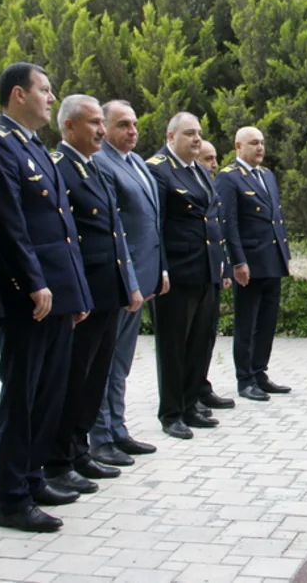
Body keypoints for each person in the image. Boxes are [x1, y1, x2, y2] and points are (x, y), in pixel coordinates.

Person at [0, 63, 93, 533]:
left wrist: (75, 290)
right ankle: (10, 497)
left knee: (48, 395)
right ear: (18, 94)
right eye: (44, 90)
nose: (51, 98)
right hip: (29, 295)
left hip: (57, 293)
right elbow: (8, 224)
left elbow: (63, 227)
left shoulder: (36, 149)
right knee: (21, 396)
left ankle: (32, 477)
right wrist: (33, 282)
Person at [44, 95, 143, 493]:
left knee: (93, 378)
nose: (101, 130)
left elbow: (114, 230)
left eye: (103, 123)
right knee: (73, 379)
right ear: (68, 126)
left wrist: (127, 283)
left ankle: (79, 450)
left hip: (106, 291)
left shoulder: (93, 166)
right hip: (83, 295)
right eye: (93, 123)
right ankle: (58, 460)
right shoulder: (59, 167)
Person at [89, 100, 166, 466]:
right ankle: (100, 437)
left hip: (142, 281)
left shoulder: (136, 162)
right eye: (122, 124)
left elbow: (152, 223)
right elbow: (115, 228)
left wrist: (160, 271)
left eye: (134, 124)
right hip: (119, 282)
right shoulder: (101, 163)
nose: (132, 131)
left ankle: (118, 429)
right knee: (103, 365)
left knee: (121, 363)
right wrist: (131, 281)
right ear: (103, 128)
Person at [146, 112, 228, 438]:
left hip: (205, 269)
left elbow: (212, 219)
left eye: (199, 133)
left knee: (199, 342)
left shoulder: (198, 171)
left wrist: (220, 262)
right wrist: (161, 268)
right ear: (171, 137)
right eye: (189, 133)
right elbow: (155, 225)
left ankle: (191, 403)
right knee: (173, 346)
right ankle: (171, 413)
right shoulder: (158, 169)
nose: (196, 139)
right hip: (177, 274)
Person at [218, 126, 292, 402]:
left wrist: (284, 254)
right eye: (253, 143)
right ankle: (245, 379)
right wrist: (237, 261)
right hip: (249, 262)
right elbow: (229, 223)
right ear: (238, 146)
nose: (260, 147)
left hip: (272, 259)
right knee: (246, 323)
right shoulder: (229, 178)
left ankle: (260, 372)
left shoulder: (267, 175)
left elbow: (275, 218)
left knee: (267, 322)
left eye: (262, 142)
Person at [196, 140, 235, 411]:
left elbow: (220, 229)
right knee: (193, 338)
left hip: (213, 270)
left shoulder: (209, 185)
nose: (214, 164)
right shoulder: (195, 185)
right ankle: (191, 392)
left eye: (214, 158)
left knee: (208, 334)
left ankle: (202, 386)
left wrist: (225, 267)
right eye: (208, 159)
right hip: (195, 270)